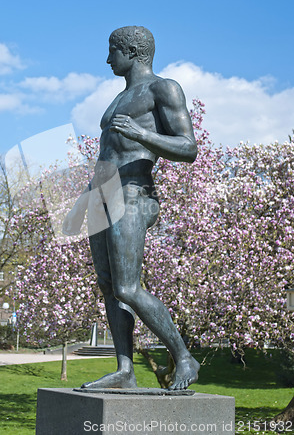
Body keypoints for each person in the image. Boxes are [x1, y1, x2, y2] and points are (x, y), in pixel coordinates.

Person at [63, 26, 199, 390]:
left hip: (134, 195)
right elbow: (107, 155)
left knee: (127, 287)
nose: (108, 60)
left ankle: (184, 357)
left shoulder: (163, 88)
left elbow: (188, 147)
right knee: (109, 286)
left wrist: (142, 135)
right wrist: (85, 198)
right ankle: (125, 370)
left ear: (133, 51)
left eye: (112, 51)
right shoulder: (118, 100)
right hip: (103, 197)